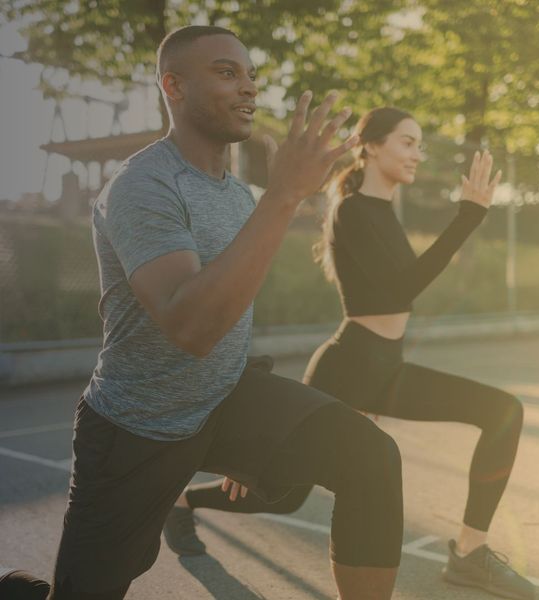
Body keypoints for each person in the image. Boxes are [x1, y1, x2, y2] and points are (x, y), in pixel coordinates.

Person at [1, 27, 407, 600]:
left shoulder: (238, 195)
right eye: (225, 72)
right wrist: (283, 196)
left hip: (223, 399)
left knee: (370, 457)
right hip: (137, 426)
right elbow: (190, 326)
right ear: (173, 86)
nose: (247, 89)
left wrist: (249, 437)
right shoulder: (143, 186)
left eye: (250, 76)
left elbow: (234, 313)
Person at [164, 108, 536, 600]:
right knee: (284, 494)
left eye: (420, 144)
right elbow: (401, 289)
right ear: (372, 146)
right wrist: (468, 216)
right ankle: (183, 503)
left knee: (502, 411)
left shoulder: (383, 213)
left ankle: (469, 553)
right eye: (407, 142)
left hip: (388, 367)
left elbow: (404, 292)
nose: (417, 154)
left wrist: (469, 218)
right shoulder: (353, 211)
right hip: (348, 367)